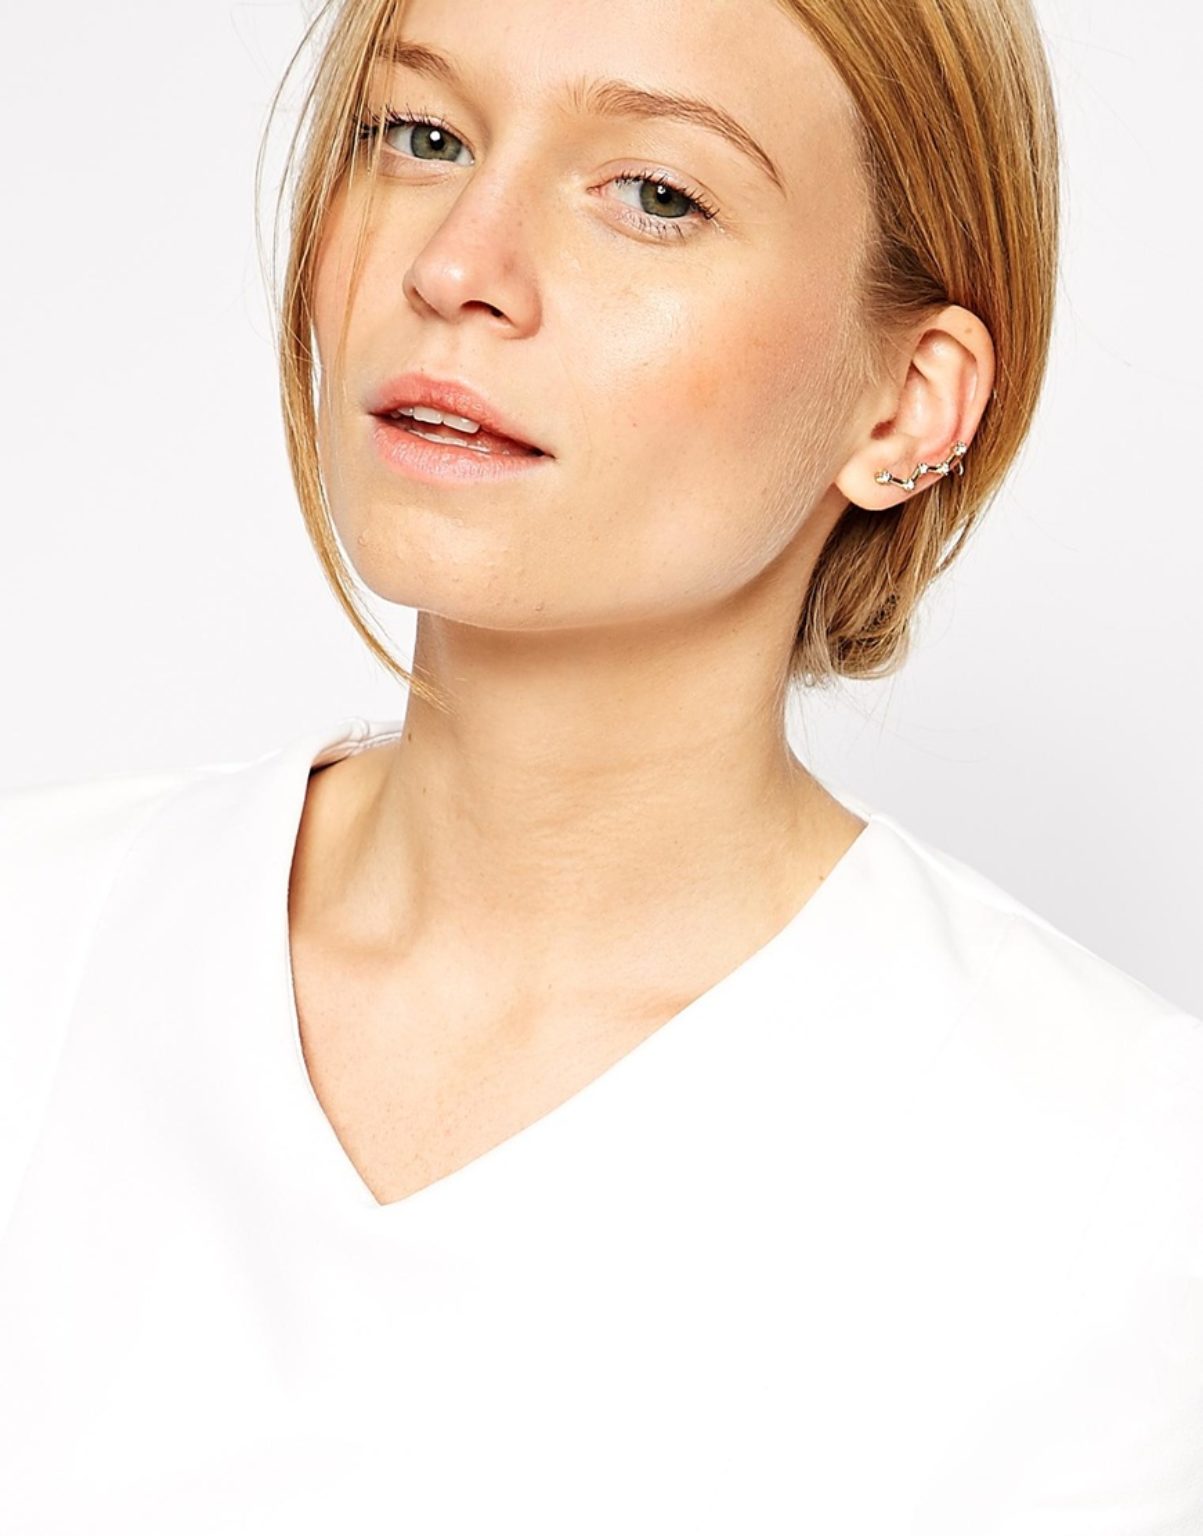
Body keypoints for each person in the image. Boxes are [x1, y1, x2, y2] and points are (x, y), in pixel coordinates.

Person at [1, 0, 1199, 1531]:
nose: (456, 267)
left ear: (909, 402)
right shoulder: (34, 943)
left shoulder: (1121, 1190)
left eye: (654, 194)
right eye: (420, 135)